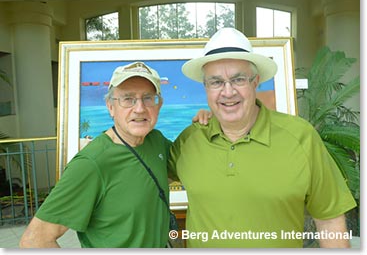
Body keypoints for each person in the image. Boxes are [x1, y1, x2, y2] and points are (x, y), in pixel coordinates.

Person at [168, 28, 357, 248]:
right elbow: (146, 168)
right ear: (206, 87)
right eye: (216, 82)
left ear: (255, 82)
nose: (228, 92)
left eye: (238, 79)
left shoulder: (301, 137)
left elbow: (330, 219)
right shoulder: (189, 140)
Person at [19, 61, 209, 248]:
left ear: (159, 105)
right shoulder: (91, 163)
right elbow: (34, 241)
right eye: (128, 99)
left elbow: (188, 164)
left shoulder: (155, 141)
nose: (140, 108)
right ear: (110, 107)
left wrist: (206, 123)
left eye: (148, 98)